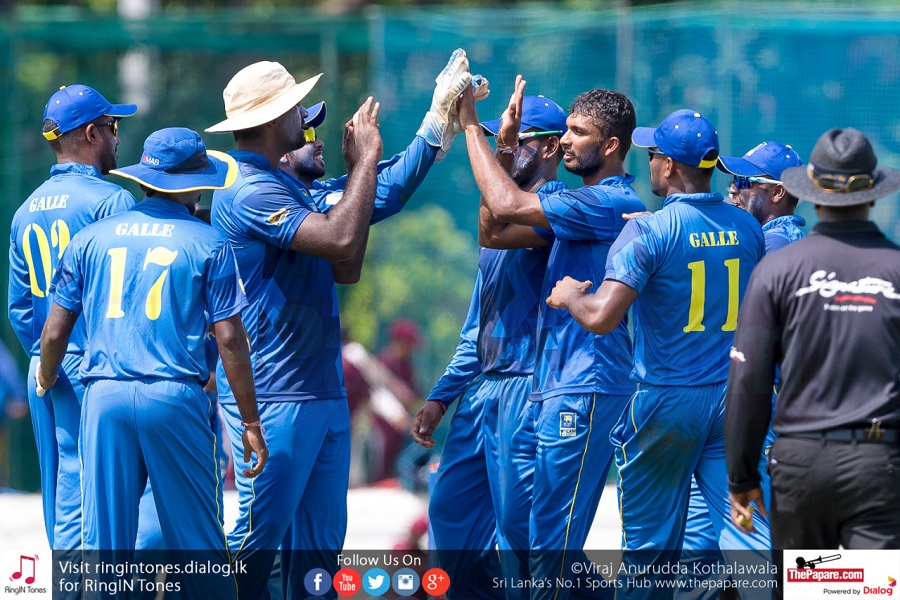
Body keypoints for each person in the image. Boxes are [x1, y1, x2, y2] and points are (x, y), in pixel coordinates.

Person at [36, 127, 267, 598]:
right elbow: (230, 339)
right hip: (173, 399)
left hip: (104, 399)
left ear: (144, 178)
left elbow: (55, 332)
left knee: (106, 554)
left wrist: (45, 377)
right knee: (200, 548)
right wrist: (249, 421)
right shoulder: (209, 242)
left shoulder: (90, 240)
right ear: (195, 185)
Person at [546, 109, 768, 599]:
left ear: (668, 166)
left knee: (648, 557)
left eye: (651, 155)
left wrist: (570, 296)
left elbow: (601, 316)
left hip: (666, 402)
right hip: (733, 402)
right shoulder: (749, 227)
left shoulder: (648, 231)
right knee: (752, 538)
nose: (647, 163)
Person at [205, 58, 387, 599]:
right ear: (275, 120)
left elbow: (346, 258)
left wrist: (434, 133)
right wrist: (366, 160)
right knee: (256, 544)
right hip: (274, 395)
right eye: (296, 110)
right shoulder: (250, 189)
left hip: (320, 391)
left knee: (320, 554)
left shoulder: (285, 185)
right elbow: (339, 240)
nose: (306, 119)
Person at [458, 76, 645, 598]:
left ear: (611, 145)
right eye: (565, 129)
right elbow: (493, 231)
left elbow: (507, 206)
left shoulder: (609, 202)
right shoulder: (578, 204)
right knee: (530, 536)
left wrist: (471, 125)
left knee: (550, 548)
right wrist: (503, 151)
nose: (564, 140)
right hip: (555, 385)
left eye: (578, 132)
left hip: (587, 385)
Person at [411, 92, 567, 599]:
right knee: (449, 515)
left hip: (527, 389)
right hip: (482, 392)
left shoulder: (555, 209)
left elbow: (499, 214)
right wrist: (440, 398)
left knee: (518, 532)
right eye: (504, 138)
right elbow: (477, 329)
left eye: (517, 139)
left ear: (549, 148)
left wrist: (478, 133)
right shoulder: (494, 222)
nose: (508, 146)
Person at [725, 127, 900, 555]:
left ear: (814, 192)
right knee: (870, 585)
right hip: (879, 463)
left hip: (800, 463)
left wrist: (742, 477)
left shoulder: (777, 269)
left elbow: (748, 380)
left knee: (810, 582)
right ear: (873, 195)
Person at [8, 84, 137, 552]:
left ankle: (67, 582)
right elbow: (124, 298)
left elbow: (20, 309)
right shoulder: (111, 201)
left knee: (61, 493)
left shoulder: (24, 211)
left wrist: (46, 360)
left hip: (43, 368)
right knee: (96, 496)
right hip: (93, 368)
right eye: (112, 126)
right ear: (91, 134)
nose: (117, 137)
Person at [720, 141, 805, 252]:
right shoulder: (767, 239)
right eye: (735, 179)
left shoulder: (776, 244)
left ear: (777, 192)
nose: (733, 189)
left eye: (743, 180)